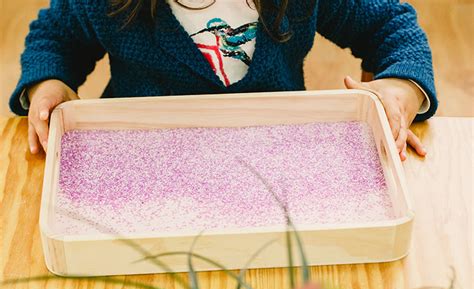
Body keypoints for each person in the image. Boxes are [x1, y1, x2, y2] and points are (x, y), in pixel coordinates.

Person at [10, 0, 436, 161]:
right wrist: (48, 82)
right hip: (140, 164)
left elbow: (392, 27)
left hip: (275, 163)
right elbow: (55, 35)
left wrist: (400, 88)